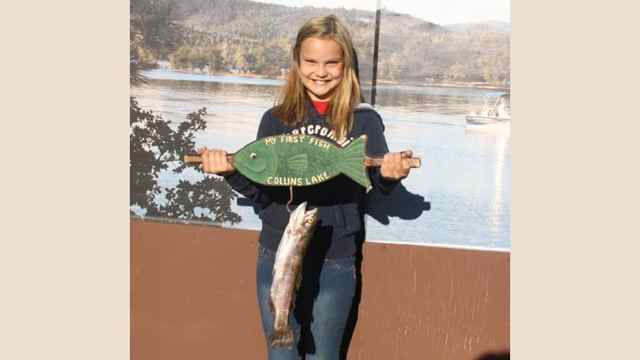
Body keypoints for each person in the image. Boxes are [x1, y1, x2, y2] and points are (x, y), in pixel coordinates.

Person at [199, 15, 414, 360]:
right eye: (310, 61)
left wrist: (389, 175)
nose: (321, 71)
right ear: (297, 63)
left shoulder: (364, 120)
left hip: (336, 260)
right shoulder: (275, 119)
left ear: (346, 65)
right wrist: (230, 172)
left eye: (332, 62)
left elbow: (375, 191)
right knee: (280, 352)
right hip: (276, 253)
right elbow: (261, 193)